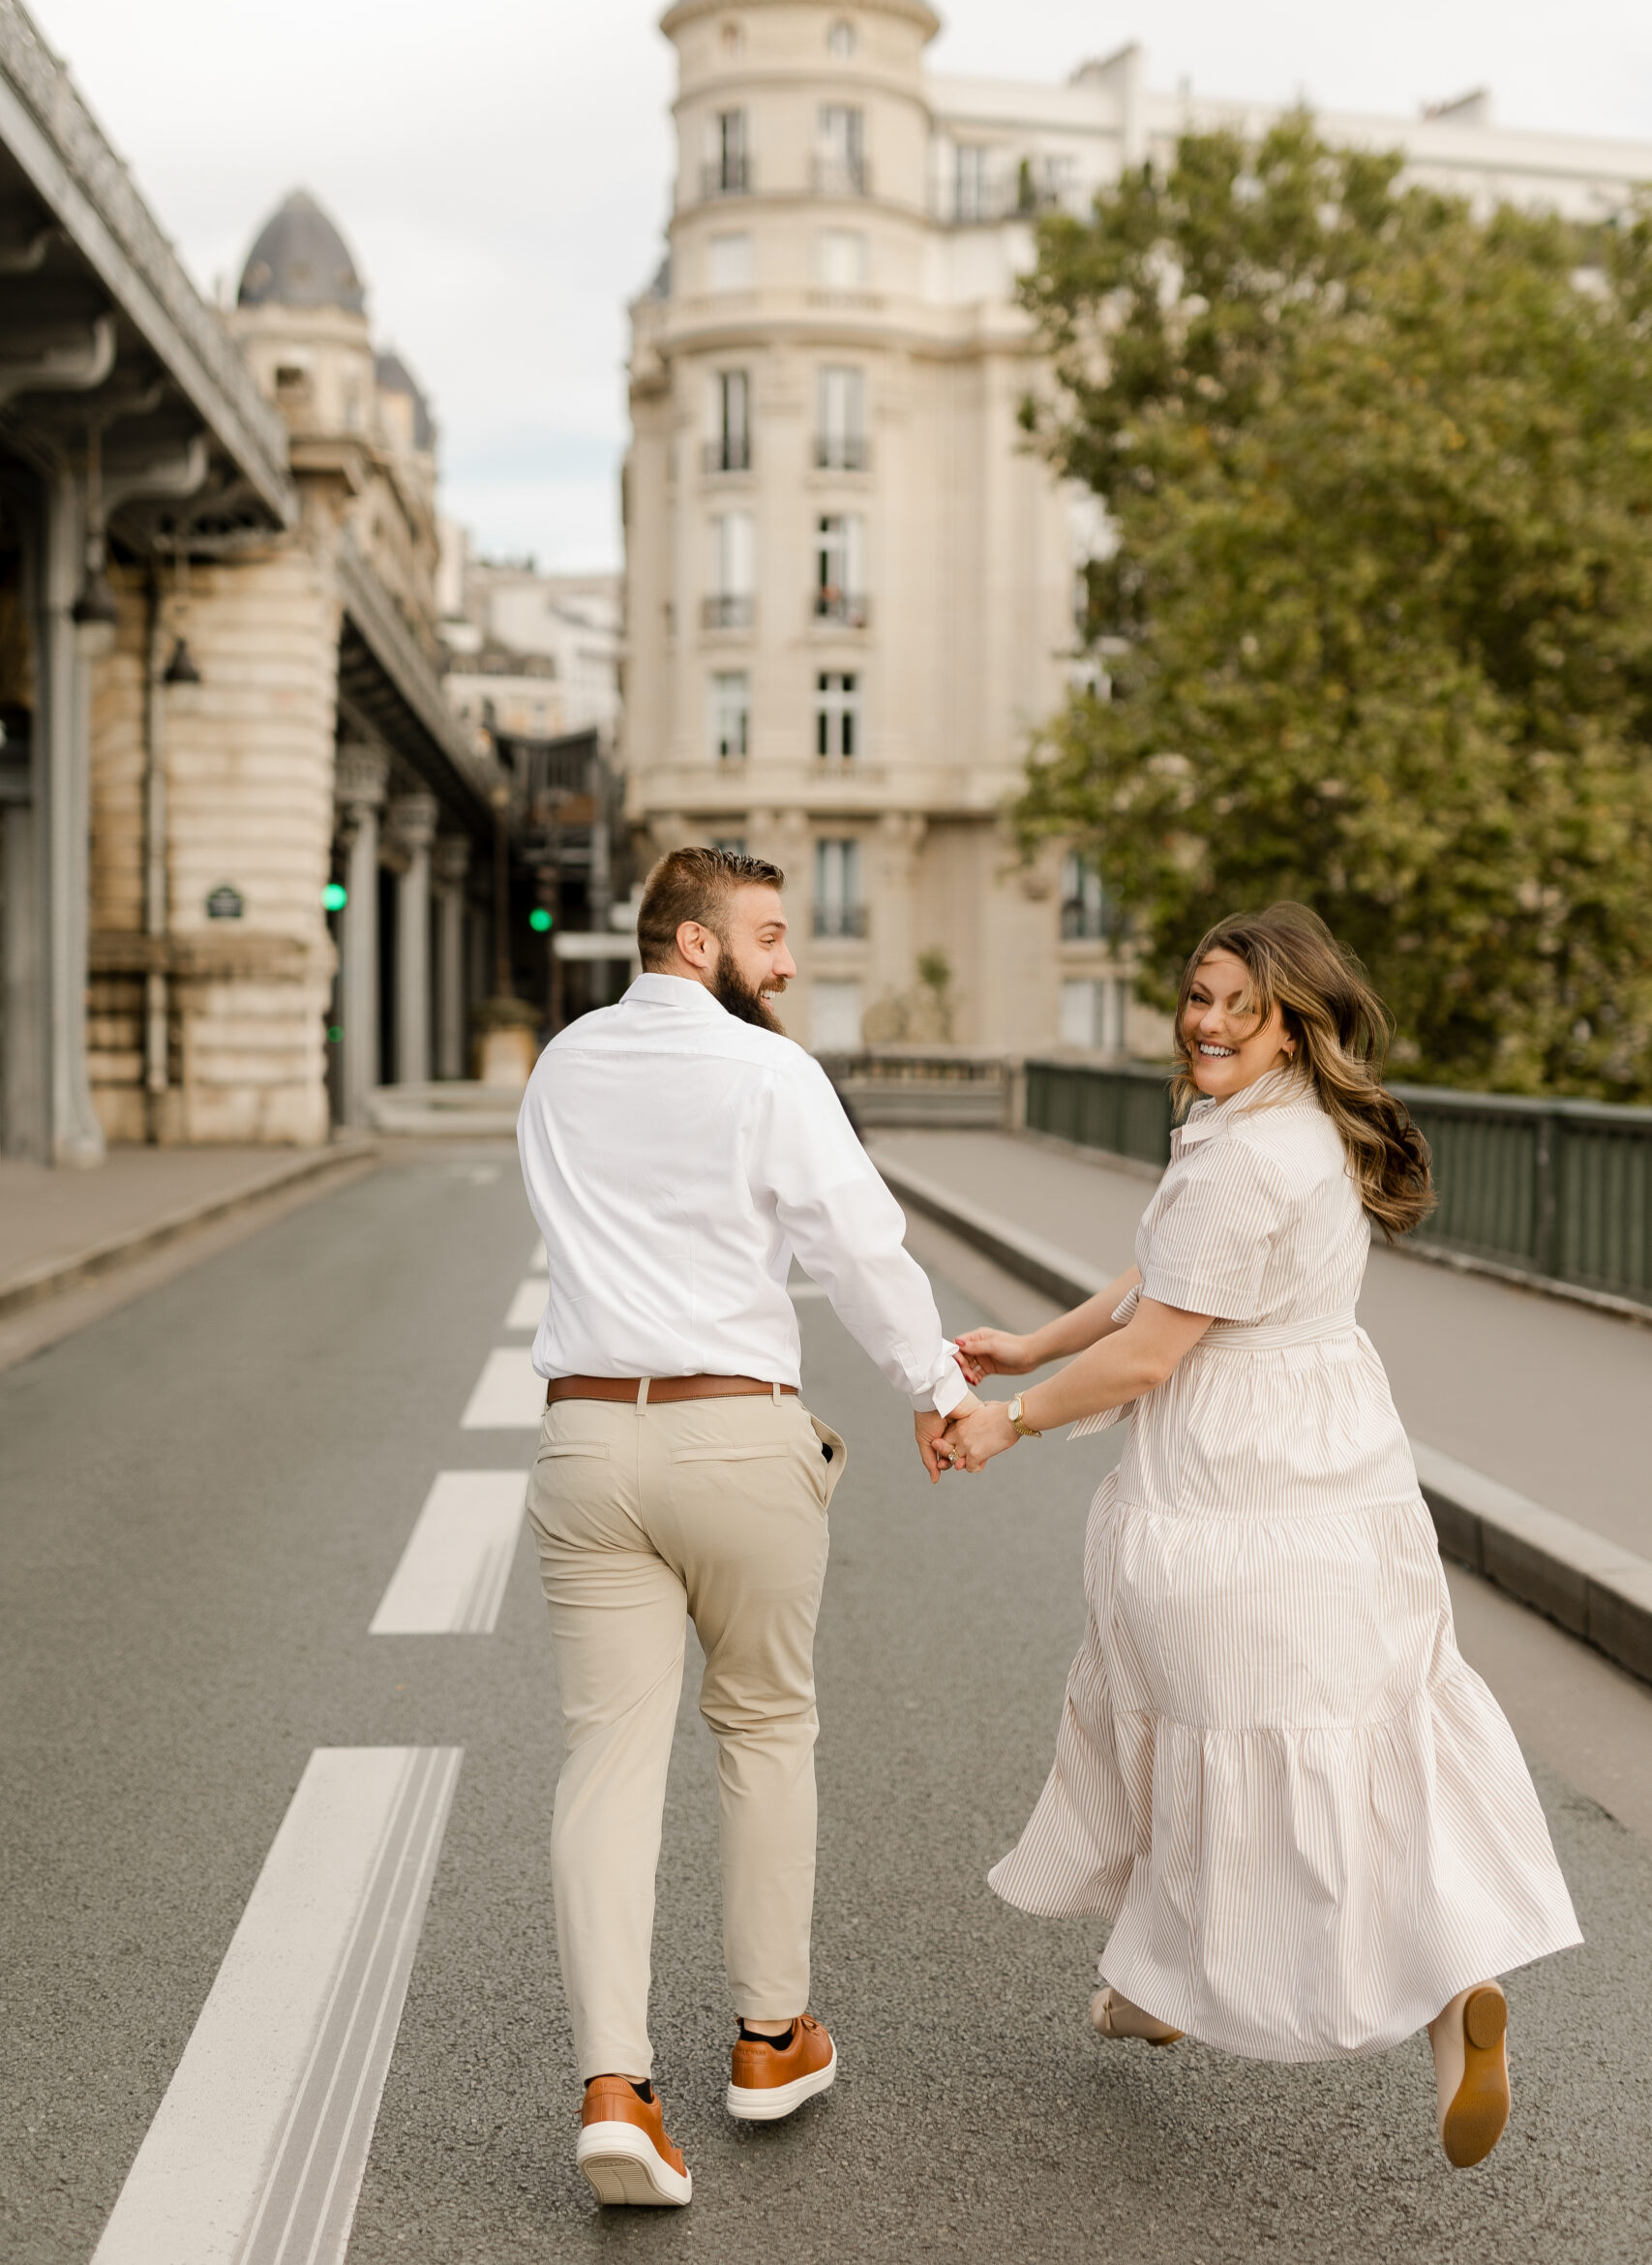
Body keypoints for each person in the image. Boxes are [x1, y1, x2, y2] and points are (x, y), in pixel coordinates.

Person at [941, 903, 1579, 2169]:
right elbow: (1159, 1279)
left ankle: (1177, 1980)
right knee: (1382, 1735)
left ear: (1294, 1024)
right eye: (1199, 996)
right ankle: (1450, 2000)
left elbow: (1160, 1346)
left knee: (1198, 1735)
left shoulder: (1235, 1157)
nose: (1211, 1021)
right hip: (1344, 1474)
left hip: (1227, 1486)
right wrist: (1035, 1339)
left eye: (1243, 1005)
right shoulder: (1301, 1132)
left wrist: (1009, 1420)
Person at [517, 845, 971, 2208]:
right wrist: (939, 1389)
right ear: (698, 946)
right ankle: (771, 2042)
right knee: (765, 1729)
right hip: (735, 1433)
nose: (788, 961)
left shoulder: (560, 1067)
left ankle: (615, 2088)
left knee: (606, 1763)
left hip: (588, 1437)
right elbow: (853, 1247)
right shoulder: (773, 1076)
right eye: (770, 937)